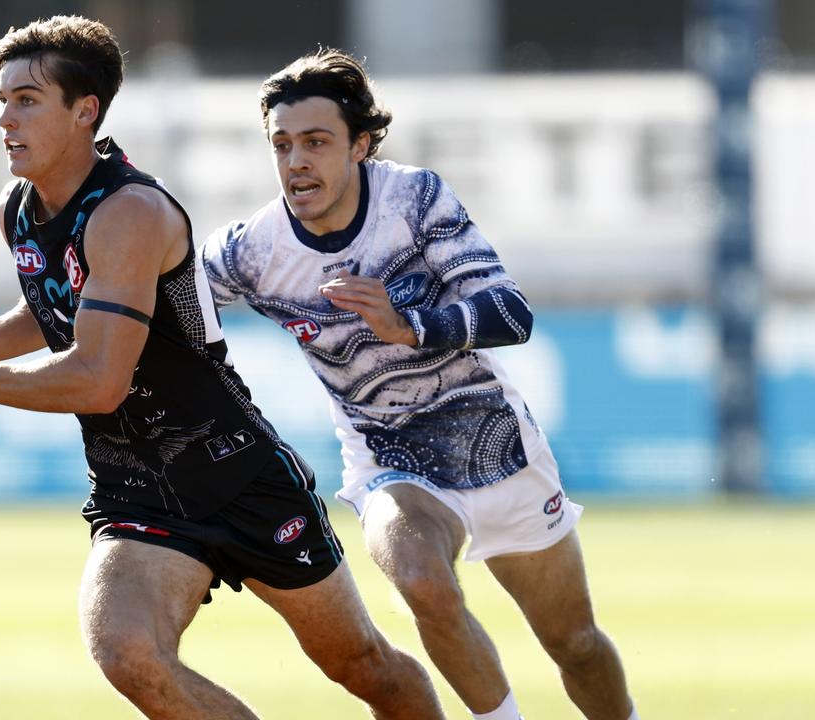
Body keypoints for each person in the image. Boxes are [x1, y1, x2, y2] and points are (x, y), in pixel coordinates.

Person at [0, 16, 444, 720]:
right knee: (127, 652)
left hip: (233, 471)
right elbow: (58, 308)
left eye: (26, 99)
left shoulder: (131, 211)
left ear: (85, 112)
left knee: (361, 666)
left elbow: (98, 377)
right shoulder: (17, 211)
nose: (4, 118)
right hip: (135, 489)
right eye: (2, 99)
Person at [202, 49, 641, 720]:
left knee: (575, 644)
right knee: (420, 582)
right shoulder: (252, 250)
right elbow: (144, 300)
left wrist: (409, 325)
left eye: (316, 142)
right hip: (390, 461)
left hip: (493, 446)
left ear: (362, 144)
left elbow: (510, 313)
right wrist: (11, 343)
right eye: (282, 145)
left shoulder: (414, 199)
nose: (296, 162)